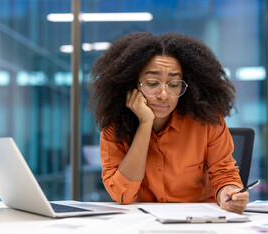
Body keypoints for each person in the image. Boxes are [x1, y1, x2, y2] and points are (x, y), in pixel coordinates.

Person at [88, 32, 249, 214]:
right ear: (131, 85)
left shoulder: (208, 122)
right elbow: (121, 194)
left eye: (173, 84)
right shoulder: (114, 127)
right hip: (141, 224)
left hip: (198, 222)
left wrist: (229, 193)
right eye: (152, 83)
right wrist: (145, 123)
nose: (164, 95)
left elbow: (224, 175)